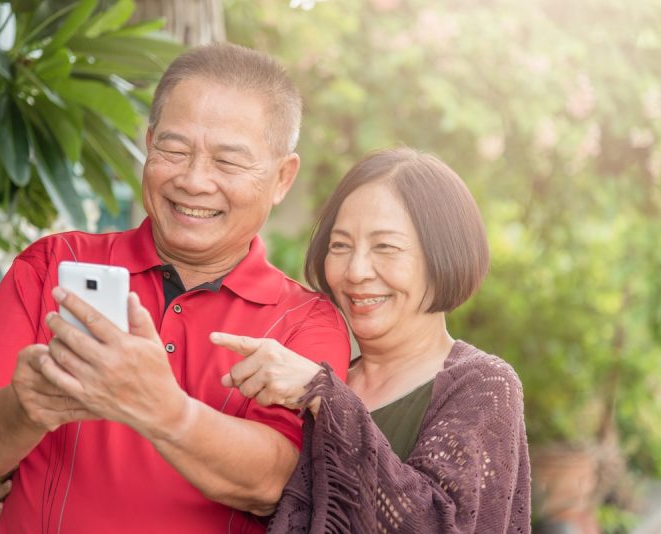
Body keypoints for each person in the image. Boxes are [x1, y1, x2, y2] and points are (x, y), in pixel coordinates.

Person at [0, 43, 351, 533]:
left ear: (282, 178)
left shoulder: (306, 323)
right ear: (148, 144)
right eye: (174, 149)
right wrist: (25, 407)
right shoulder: (53, 264)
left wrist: (161, 406)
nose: (194, 181)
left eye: (228, 162)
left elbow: (275, 485)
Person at [211, 148, 531, 532]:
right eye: (341, 246)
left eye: (386, 247)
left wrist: (324, 397)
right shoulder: (319, 379)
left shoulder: (484, 385)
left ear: (443, 255)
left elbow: (431, 523)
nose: (356, 271)